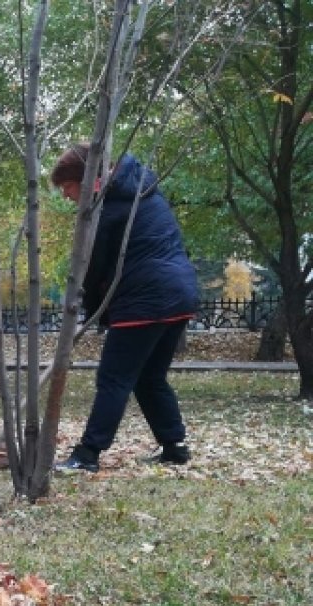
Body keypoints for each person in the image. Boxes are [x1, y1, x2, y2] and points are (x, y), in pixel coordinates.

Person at [50, 144, 199, 472]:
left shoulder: (110, 209)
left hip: (145, 297)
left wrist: (85, 311)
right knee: (149, 377)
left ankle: (88, 454)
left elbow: (95, 267)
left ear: (89, 180)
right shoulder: (144, 192)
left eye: (68, 187)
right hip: (180, 292)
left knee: (113, 378)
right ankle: (175, 446)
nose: (65, 195)